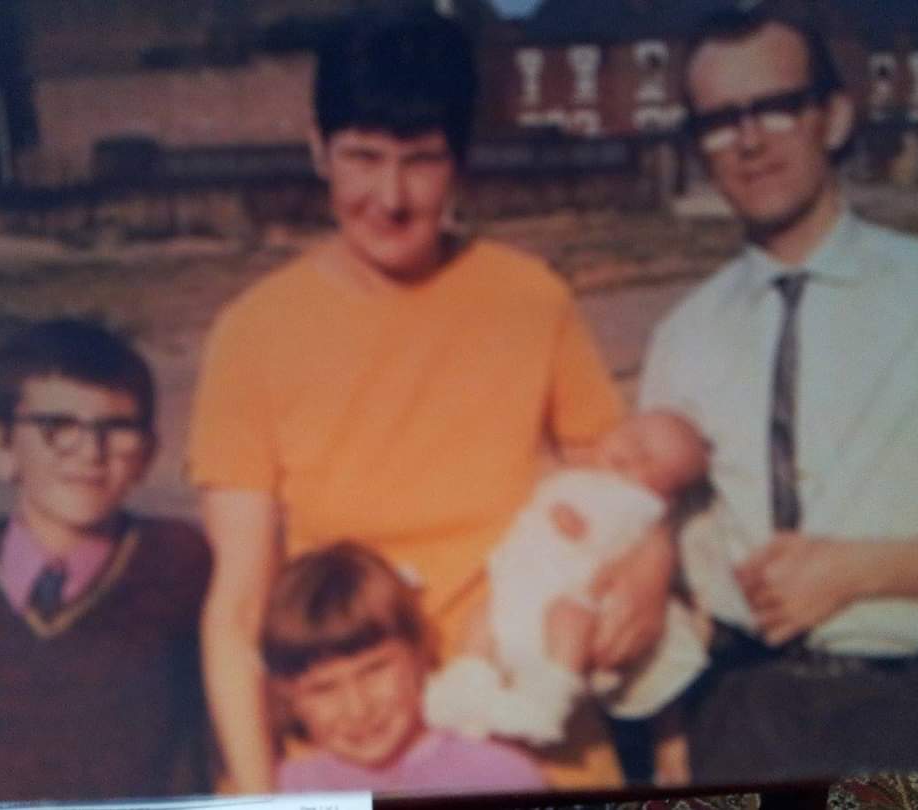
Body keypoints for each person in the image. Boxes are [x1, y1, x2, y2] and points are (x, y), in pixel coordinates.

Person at [188, 8, 672, 792]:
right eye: (362, 157)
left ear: (461, 163)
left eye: (421, 161)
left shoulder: (531, 298)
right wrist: (253, 791)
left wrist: (651, 566)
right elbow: (239, 608)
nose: (391, 196)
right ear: (319, 150)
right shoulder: (252, 333)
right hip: (351, 751)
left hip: (534, 728)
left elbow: (618, 489)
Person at [639, 7, 918, 782]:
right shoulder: (681, 336)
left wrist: (861, 571)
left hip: (915, 713)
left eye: (775, 106)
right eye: (719, 120)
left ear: (833, 116)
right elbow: (666, 560)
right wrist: (675, 756)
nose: (748, 141)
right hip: (740, 720)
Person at [0, 318, 213, 805]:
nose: (90, 452)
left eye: (117, 429)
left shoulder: (181, 559)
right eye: (58, 428)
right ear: (0, 446)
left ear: (148, 453)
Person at [425, 411, 709, 774]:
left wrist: (576, 524)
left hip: (566, 595)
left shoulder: (635, 504)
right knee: (481, 618)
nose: (632, 454)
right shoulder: (579, 473)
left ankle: (547, 700)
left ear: (665, 496)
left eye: (648, 460)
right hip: (519, 591)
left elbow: (613, 535)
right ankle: (468, 682)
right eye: (631, 436)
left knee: (570, 620)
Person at [262, 542, 546, 794]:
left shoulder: (499, 776)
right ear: (289, 696)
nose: (358, 708)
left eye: (374, 670)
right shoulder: (285, 790)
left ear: (419, 654)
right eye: (323, 688)